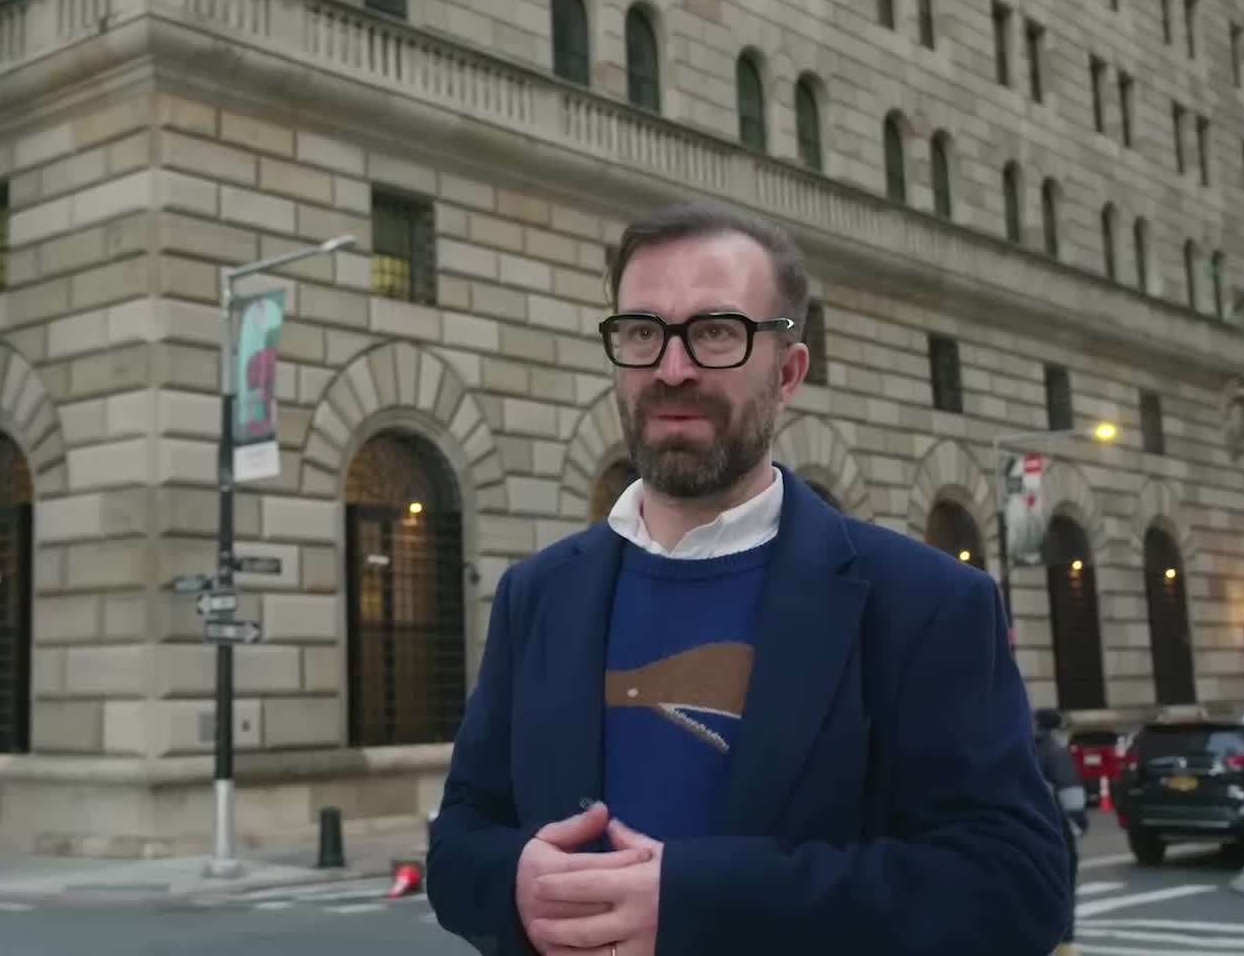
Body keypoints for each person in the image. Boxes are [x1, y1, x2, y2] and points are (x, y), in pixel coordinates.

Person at [425, 201, 1071, 955]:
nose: (672, 369)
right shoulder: (535, 597)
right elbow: (461, 839)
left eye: (715, 333)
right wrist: (514, 884)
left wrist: (700, 902)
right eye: (641, 333)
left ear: (789, 372)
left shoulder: (925, 604)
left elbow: (1018, 887)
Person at [1035, 708, 1089, 956]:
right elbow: (1071, 795)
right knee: (1063, 884)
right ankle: (1064, 944)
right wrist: (1081, 822)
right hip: (1055, 831)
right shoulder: (1054, 751)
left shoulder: (1021, 749)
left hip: (1027, 832)